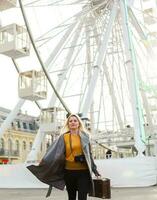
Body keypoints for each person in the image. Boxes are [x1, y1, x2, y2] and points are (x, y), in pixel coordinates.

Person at [27, 113, 100, 200]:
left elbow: (89, 154)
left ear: (79, 123)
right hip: (69, 172)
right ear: (68, 124)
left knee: (82, 197)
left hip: (83, 172)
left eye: (75, 121)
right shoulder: (63, 137)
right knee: (71, 197)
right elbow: (54, 152)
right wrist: (45, 161)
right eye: (70, 121)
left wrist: (95, 170)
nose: (73, 122)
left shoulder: (85, 136)